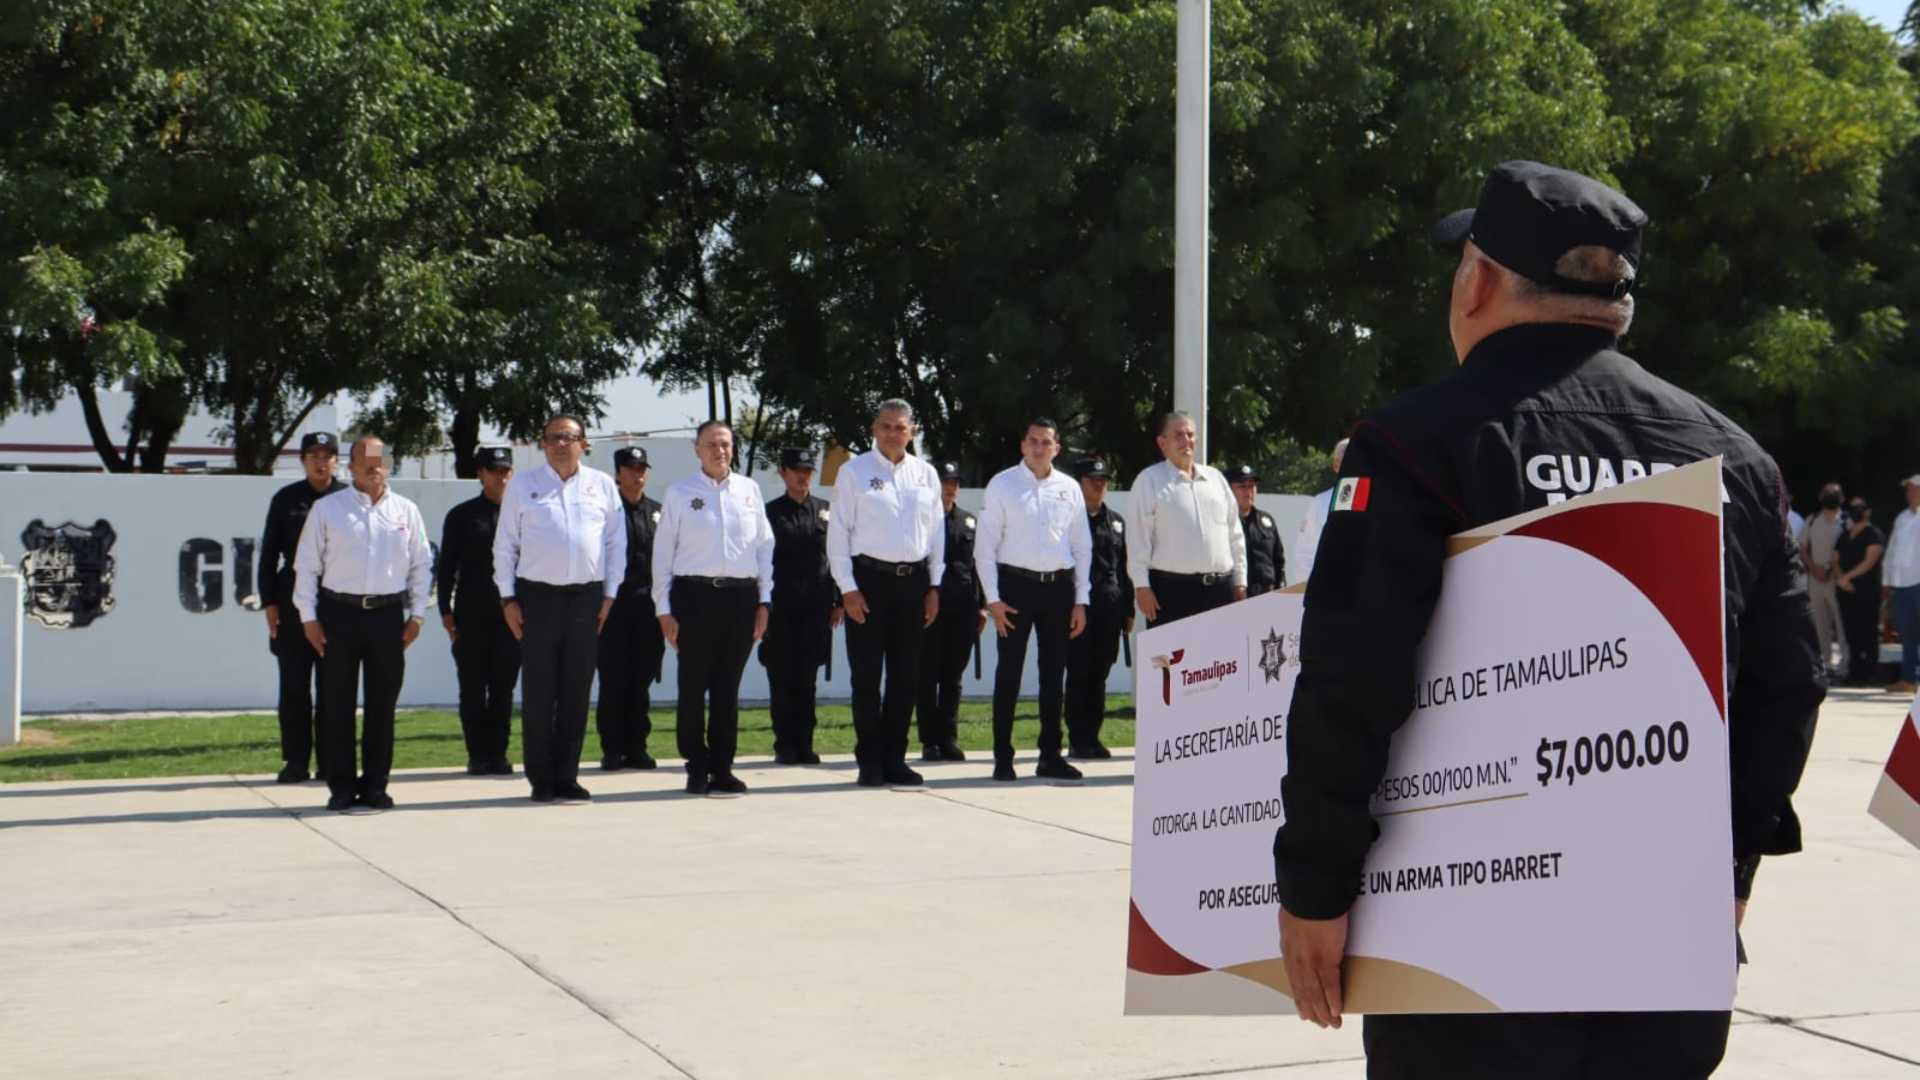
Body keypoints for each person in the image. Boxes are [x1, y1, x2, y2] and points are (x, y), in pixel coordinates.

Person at [1272, 161, 1823, 1078]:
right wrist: (1728, 875)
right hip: (1664, 944)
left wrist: (1313, 887)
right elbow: (1785, 687)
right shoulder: (1737, 460)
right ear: (1617, 304)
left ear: (1477, 281)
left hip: (1464, 954)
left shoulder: (1411, 444)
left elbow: (1353, 675)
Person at [293, 436, 434, 812]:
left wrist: (417, 614)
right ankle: (340, 787)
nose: (374, 465)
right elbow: (306, 566)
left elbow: (422, 565)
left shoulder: (406, 511)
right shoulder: (327, 510)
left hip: (388, 617)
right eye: (365, 459)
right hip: (339, 614)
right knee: (337, 704)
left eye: (380, 458)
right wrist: (308, 618)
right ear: (350, 465)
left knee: (382, 706)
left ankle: (375, 786)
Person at [494, 414, 626, 804]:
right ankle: (541, 778)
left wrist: (609, 595)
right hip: (537, 599)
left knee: (576, 690)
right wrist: (507, 598)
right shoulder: (523, 485)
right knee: (539, 691)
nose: (561, 444)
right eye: (553, 438)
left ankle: (567, 775)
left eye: (569, 437)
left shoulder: (602, 485)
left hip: (587, 599)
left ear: (584, 443)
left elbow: (617, 543)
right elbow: (505, 546)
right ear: (543, 443)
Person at [827, 400, 945, 789]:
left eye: (900, 427)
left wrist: (933, 586)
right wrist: (848, 589)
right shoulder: (853, 472)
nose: (893, 433)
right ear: (874, 430)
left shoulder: (925, 474)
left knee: (905, 676)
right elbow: (838, 534)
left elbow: (936, 536)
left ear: (912, 431)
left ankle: (895, 758)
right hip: (868, 582)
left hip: (912, 584)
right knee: (866, 676)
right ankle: (870, 760)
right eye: (886, 426)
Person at [654, 420, 774, 797]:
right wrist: (664, 609)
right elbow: (662, 555)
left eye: (725, 444)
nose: (719, 451)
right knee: (693, 686)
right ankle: (696, 765)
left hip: (739, 599)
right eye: (711, 445)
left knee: (727, 688)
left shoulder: (749, 491)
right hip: (694, 598)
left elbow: (764, 550)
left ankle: (723, 766)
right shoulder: (679, 493)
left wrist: (764, 601)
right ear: (697, 449)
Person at [976, 418, 1093, 783]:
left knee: (1052, 676)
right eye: (1033, 441)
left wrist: (1080, 600)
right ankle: (1002, 757)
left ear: (1057, 448)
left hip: (1058, 590)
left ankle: (1050, 756)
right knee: (1008, 674)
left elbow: (1082, 546)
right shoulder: (1002, 484)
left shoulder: (1069, 488)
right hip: (1015, 588)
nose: (1039, 448)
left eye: (1046, 442)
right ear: (1022, 445)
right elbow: (985, 547)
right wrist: (992, 599)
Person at [258, 431, 344, 783]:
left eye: (327, 455)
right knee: (294, 687)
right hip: (293, 603)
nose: (320, 462)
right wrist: (269, 603)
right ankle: (295, 761)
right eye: (313, 455)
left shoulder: (348, 498)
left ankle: (330, 761)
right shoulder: (286, 499)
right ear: (303, 460)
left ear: (337, 460)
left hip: (338, 602)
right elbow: (268, 555)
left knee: (333, 689)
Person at [437, 446, 520, 776]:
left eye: (506, 470)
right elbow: (446, 568)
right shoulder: (461, 515)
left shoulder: (523, 513)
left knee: (503, 689)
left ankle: (498, 754)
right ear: (481, 474)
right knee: (472, 688)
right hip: (471, 615)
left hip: (510, 616)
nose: (501, 477)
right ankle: (477, 754)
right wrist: (445, 609)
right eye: (494, 470)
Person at [1126, 411, 1247, 627]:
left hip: (1220, 592)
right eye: (1179, 435)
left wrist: (1240, 582)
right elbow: (1137, 539)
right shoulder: (1149, 481)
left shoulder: (1216, 479)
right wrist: (1141, 586)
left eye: (1190, 435)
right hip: (1171, 593)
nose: (1186, 441)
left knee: (1219, 659)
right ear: (1162, 443)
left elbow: (1234, 534)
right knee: (1170, 660)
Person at [762, 447, 841, 765]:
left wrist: (837, 600)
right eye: (796, 469)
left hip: (816, 609)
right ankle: (785, 744)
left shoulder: (827, 511)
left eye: (808, 470)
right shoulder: (769, 513)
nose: (803, 475)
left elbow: (836, 558)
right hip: (780, 609)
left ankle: (805, 744)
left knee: (807, 680)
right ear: (782, 472)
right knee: (781, 679)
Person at [596, 446, 665, 771]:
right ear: (618, 472)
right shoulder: (606, 512)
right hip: (614, 611)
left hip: (648, 612)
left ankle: (637, 746)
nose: (638, 474)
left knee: (641, 681)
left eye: (642, 467)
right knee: (613, 681)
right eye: (631, 468)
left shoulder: (659, 512)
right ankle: (612, 748)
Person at [1065, 457, 1132, 760]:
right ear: (1079, 482)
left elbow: (1123, 568)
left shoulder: (1116, 521)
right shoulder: (1068, 518)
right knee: (1079, 672)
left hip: (1110, 608)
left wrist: (1128, 609)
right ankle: (1078, 737)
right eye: (1093, 479)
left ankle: (1093, 735)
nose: (1099, 484)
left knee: (1100, 674)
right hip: (1080, 608)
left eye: (1103, 479)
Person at [917, 461, 985, 763]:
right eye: (946, 481)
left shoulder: (969, 521)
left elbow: (978, 566)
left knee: (953, 677)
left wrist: (982, 606)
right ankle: (929, 741)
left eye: (955, 481)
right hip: (933, 607)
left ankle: (948, 738)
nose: (951, 487)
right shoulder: (924, 520)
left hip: (964, 607)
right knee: (927, 675)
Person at [1836, 497, 1886, 687]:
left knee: (1868, 633)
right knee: (1851, 633)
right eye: (1853, 508)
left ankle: (1869, 674)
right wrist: (1841, 579)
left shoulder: (1874, 534)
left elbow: (1870, 560)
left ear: (1868, 511)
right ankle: (1854, 673)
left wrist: (1846, 577)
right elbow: (1835, 558)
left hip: (1866, 591)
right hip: (1845, 591)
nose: (1856, 511)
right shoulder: (1845, 534)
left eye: (1860, 508)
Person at [1801, 482, 1849, 678]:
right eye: (1826, 493)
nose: (1829, 497)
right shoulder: (1812, 520)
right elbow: (1802, 547)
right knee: (1819, 625)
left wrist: (1831, 569)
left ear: (1841, 498)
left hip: (1838, 580)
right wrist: (1814, 568)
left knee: (1842, 624)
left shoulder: (1847, 521)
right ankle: (1824, 665)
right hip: (1816, 579)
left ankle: (1845, 667)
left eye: (1833, 494)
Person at [1882, 475, 1920, 694]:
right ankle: (1909, 680)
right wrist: (1887, 581)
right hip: (1902, 584)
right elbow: (1892, 550)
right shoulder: (1902, 517)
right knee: (1908, 634)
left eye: (1913, 489)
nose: (1909, 493)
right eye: (1908, 490)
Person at [1294, 439, 1348, 586]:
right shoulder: (1321, 502)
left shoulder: (1377, 500)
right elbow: (1305, 553)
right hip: (1329, 590)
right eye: (1347, 461)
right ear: (1336, 465)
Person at [1227, 464, 1286, 595]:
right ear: (1229, 490)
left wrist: (1281, 589)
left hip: (1267, 596)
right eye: (1242, 486)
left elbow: (1279, 561)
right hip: (1236, 598)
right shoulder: (1222, 523)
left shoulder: (1267, 521)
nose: (1248, 491)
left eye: (1252, 486)